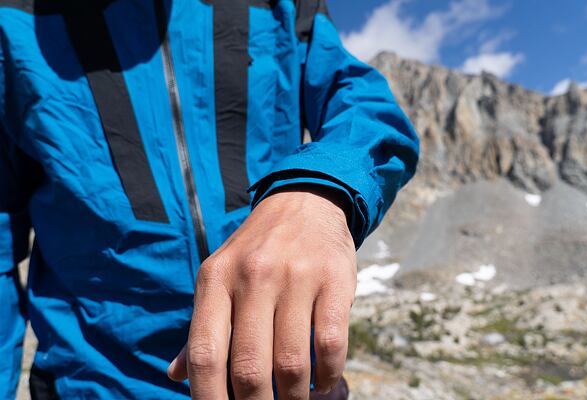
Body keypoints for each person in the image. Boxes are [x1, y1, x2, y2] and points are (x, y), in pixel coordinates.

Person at [0, 0, 419, 398]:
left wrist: (318, 188)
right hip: (99, 384)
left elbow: (362, 101)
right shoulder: (12, 21)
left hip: (286, 381)